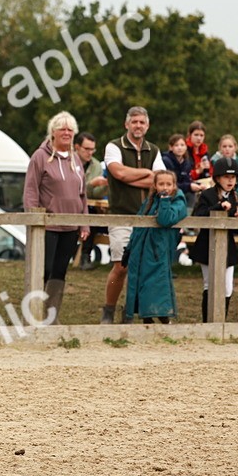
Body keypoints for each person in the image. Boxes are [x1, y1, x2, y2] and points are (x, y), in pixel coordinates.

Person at [22, 111, 89, 324]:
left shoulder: (76, 159)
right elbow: (31, 190)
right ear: (53, 132)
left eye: (71, 129)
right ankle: (33, 314)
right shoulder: (40, 157)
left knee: (60, 271)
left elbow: (82, 193)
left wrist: (84, 222)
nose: (67, 133)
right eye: (63, 128)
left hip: (71, 226)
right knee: (44, 269)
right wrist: (34, 219)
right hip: (47, 226)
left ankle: (51, 317)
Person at [99, 106, 164, 324]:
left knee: (143, 267)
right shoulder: (113, 146)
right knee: (121, 266)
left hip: (147, 217)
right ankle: (108, 310)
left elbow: (162, 182)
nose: (138, 125)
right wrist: (147, 174)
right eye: (134, 122)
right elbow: (117, 172)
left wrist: (130, 177)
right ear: (126, 124)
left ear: (147, 125)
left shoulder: (153, 150)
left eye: (141, 122)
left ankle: (129, 313)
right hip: (121, 214)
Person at [123, 170, 187, 324]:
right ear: (155, 185)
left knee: (158, 282)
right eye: (161, 184)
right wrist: (129, 248)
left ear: (174, 185)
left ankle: (163, 315)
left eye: (168, 184)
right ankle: (146, 317)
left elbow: (165, 220)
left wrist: (165, 200)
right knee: (142, 282)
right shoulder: (150, 201)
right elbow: (138, 225)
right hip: (141, 249)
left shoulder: (177, 201)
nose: (165, 187)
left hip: (159, 250)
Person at [191, 157, 238, 322]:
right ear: (217, 178)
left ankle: (221, 321)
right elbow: (197, 217)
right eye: (226, 177)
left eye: (233, 177)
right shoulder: (207, 195)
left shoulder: (237, 198)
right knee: (210, 285)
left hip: (228, 246)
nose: (230, 180)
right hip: (206, 245)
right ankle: (207, 323)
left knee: (228, 288)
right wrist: (217, 207)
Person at [75, 131, 107, 270]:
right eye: (86, 149)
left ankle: (86, 256)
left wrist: (106, 186)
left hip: (87, 207)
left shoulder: (96, 165)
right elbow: (72, 190)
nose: (90, 153)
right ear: (77, 147)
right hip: (69, 206)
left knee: (93, 214)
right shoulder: (67, 162)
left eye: (92, 149)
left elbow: (96, 195)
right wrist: (91, 184)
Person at [160, 134, 194, 201]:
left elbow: (187, 180)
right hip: (168, 194)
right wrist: (189, 186)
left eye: (182, 145)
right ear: (171, 147)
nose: (180, 148)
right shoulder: (166, 161)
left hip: (184, 192)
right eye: (176, 145)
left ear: (186, 147)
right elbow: (169, 184)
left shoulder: (187, 162)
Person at [185, 121, 212, 197]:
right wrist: (198, 171)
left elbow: (210, 173)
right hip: (190, 184)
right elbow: (185, 174)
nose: (199, 138)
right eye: (196, 135)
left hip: (204, 182)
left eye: (201, 135)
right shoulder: (184, 151)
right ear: (190, 135)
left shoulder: (205, 151)